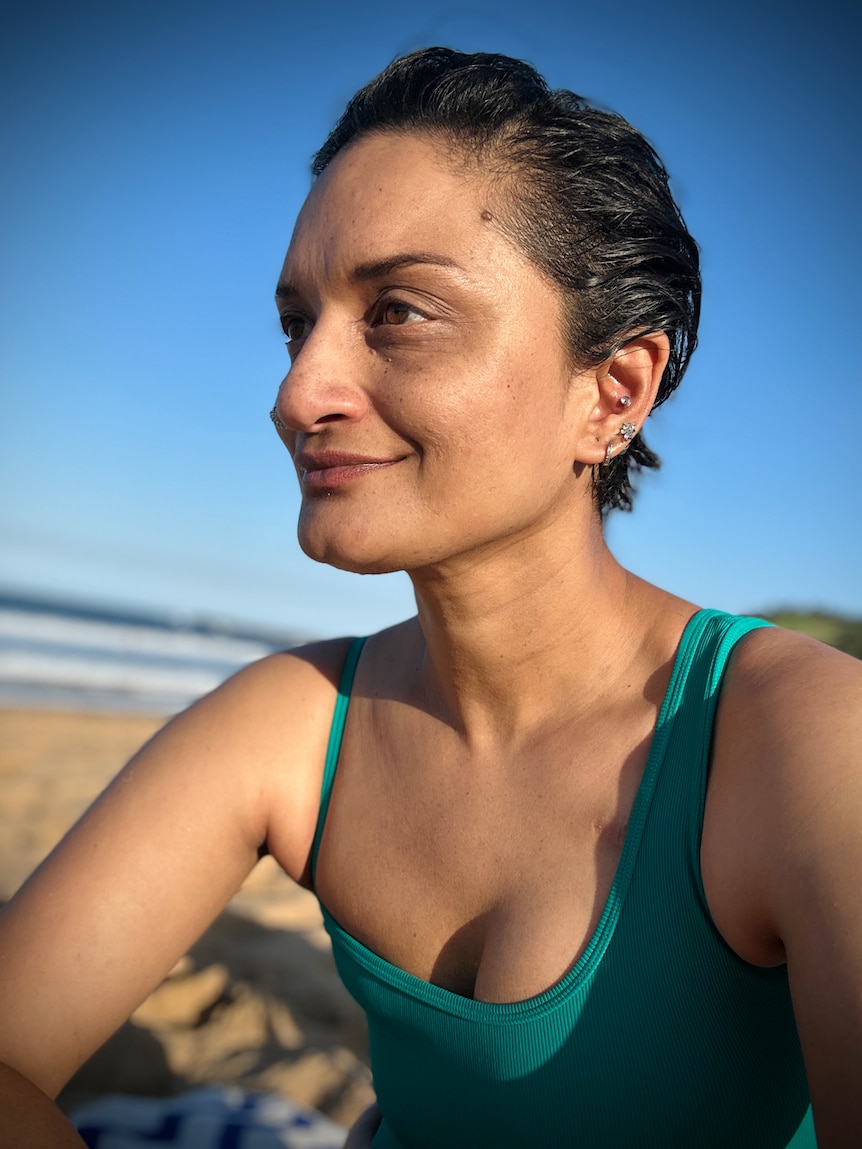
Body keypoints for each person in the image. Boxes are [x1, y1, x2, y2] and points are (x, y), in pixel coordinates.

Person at [1, 47, 860, 1148]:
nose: (297, 391)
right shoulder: (297, 724)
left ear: (613, 391)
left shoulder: (795, 747)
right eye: (295, 322)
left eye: (400, 311)